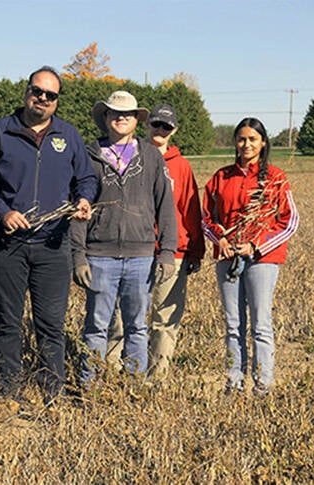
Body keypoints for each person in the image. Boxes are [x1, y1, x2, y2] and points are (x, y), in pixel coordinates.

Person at [0, 66, 96, 403]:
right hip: (8, 246)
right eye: (37, 91)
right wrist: (4, 213)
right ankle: (9, 392)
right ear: (26, 92)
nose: (42, 99)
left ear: (57, 101)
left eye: (50, 95)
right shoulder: (0, 132)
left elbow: (86, 179)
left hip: (53, 245)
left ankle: (52, 393)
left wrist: (85, 199)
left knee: (50, 325)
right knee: (8, 322)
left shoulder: (69, 136)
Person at [71, 90, 176, 382]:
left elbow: (165, 205)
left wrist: (167, 251)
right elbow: (78, 207)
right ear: (105, 118)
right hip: (99, 256)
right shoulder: (88, 155)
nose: (121, 118)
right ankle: (89, 385)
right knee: (95, 327)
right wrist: (78, 255)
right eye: (115, 113)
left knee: (137, 328)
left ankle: (132, 388)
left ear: (136, 120)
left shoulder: (152, 156)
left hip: (141, 257)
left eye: (127, 114)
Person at [103, 103, 204, 381]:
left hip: (173, 253)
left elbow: (190, 210)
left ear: (175, 131)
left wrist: (194, 251)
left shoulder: (181, 167)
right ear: (146, 125)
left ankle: (155, 378)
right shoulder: (132, 158)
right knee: (122, 316)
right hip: (137, 248)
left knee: (163, 320)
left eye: (166, 126)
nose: (160, 130)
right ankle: (114, 372)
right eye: (156, 124)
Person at [202, 117, 298, 396]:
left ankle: (263, 385)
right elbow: (207, 218)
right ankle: (234, 383)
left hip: (262, 259)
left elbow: (289, 221)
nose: (246, 144)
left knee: (260, 323)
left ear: (263, 143)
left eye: (253, 139)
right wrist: (220, 239)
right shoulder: (221, 177)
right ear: (235, 142)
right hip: (228, 258)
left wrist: (257, 245)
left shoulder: (275, 178)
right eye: (242, 139)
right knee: (233, 324)